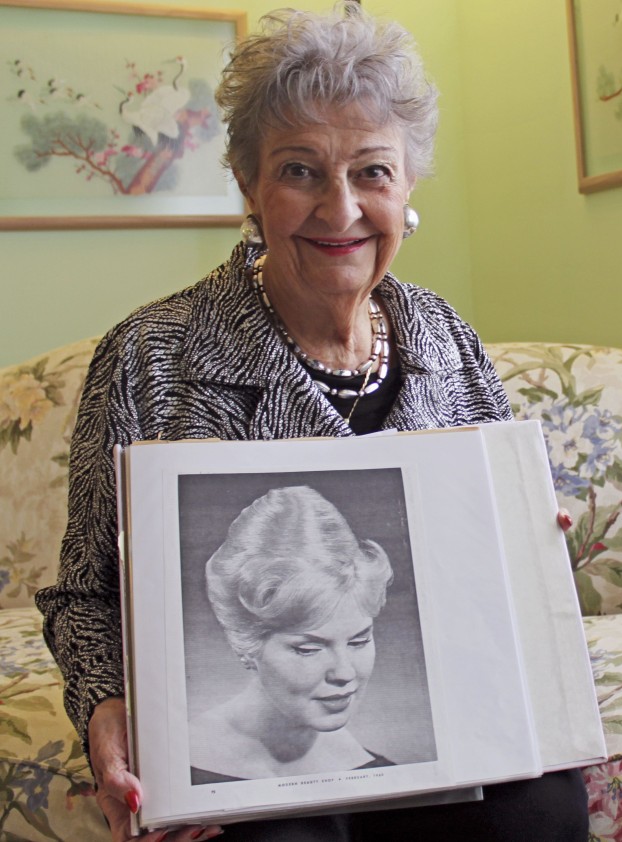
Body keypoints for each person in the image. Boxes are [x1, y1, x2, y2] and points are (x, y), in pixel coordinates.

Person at [35, 3, 587, 841]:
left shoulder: (446, 338)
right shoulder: (149, 354)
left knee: (543, 808)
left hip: (445, 734)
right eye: (300, 171)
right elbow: (84, 595)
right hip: (248, 762)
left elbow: (491, 575)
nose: (340, 209)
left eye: (372, 172)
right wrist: (107, 712)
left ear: (407, 190)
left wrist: (526, 545)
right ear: (251, 186)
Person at [189, 485, 395, 783]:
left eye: (359, 641)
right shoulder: (171, 765)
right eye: (309, 649)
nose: (344, 673)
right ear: (245, 642)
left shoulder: (384, 774)